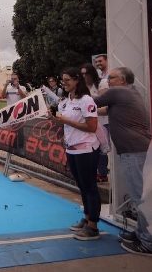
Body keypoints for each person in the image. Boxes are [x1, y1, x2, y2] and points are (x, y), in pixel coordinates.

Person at [93, 67, 152, 256]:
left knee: (140, 197)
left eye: (111, 77)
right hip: (138, 149)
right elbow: (102, 110)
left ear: (122, 80)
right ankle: (141, 234)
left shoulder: (118, 91)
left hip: (133, 151)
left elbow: (89, 103)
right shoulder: (129, 92)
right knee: (140, 195)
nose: (108, 80)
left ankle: (150, 244)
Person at [52, 67, 101, 240]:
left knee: (90, 187)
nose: (64, 83)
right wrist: (55, 119)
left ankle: (93, 226)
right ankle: (87, 219)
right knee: (82, 186)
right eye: (62, 80)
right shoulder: (65, 101)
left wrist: (66, 121)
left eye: (67, 80)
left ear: (77, 81)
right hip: (71, 148)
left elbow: (92, 127)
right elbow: (64, 123)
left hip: (86, 149)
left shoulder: (86, 100)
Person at [81, 63, 109, 183]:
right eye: (81, 74)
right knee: (92, 147)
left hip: (103, 121)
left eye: (86, 73)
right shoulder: (81, 87)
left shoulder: (101, 83)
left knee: (102, 148)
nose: (84, 76)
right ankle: (95, 172)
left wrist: (89, 103)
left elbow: (104, 102)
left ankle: (102, 173)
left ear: (91, 73)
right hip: (89, 122)